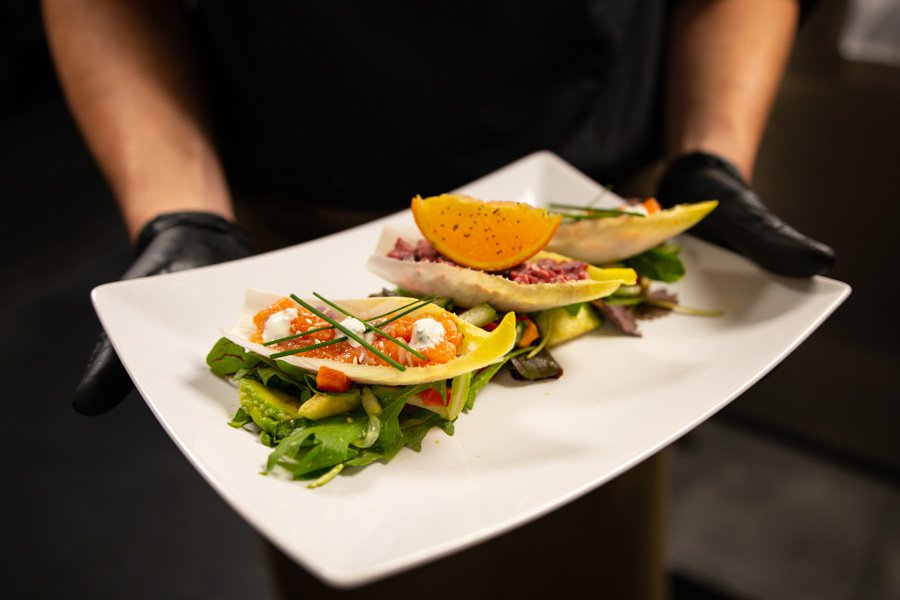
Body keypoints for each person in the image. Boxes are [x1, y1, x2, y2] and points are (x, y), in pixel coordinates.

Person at [43, 1, 833, 597]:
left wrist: (711, 152)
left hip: (586, 207)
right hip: (295, 223)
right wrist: (180, 209)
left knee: (587, 558)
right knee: (355, 549)